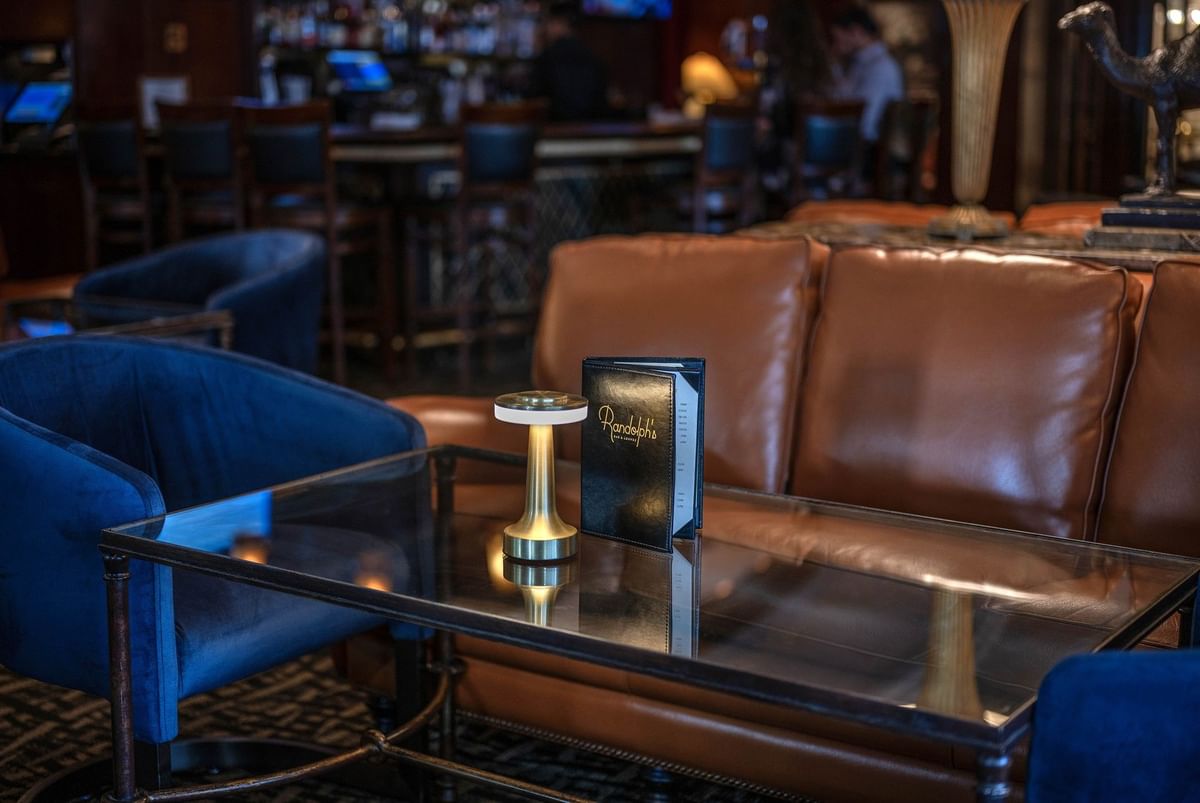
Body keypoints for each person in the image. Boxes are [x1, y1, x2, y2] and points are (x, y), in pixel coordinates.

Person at [827, 6, 904, 153]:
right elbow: (840, 97)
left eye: (837, 39)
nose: (835, 45)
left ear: (856, 32)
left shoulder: (880, 67)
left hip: (867, 150)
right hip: (856, 143)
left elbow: (863, 121)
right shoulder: (861, 63)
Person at [528, 2, 609, 121]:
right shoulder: (593, 58)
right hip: (590, 130)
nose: (546, 28)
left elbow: (534, 99)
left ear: (559, 23)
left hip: (554, 131)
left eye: (549, 22)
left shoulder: (547, 57)